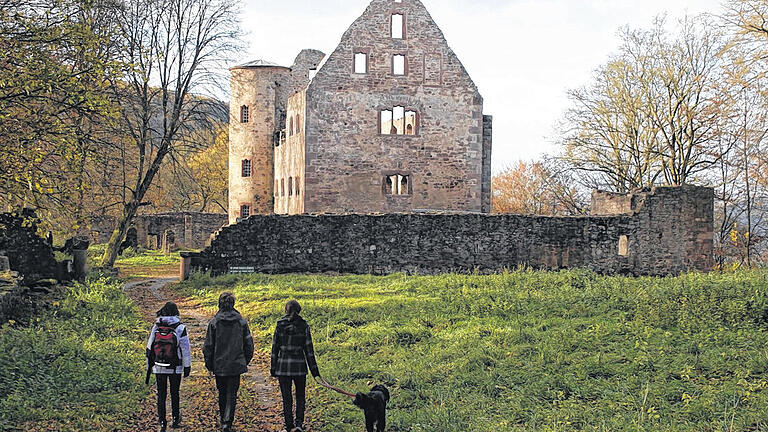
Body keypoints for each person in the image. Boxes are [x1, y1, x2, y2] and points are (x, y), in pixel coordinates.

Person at [203, 292, 255, 432]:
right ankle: (227, 422)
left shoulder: (214, 323)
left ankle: (223, 420)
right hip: (235, 364)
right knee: (232, 394)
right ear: (233, 304)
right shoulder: (241, 322)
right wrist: (244, 361)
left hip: (219, 364)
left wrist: (209, 364)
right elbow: (249, 344)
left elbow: (208, 346)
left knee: (222, 392)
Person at [271, 300, 321, 432]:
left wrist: (273, 367)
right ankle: (299, 423)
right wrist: (314, 370)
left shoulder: (280, 325)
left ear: (285, 310)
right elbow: (309, 350)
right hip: (299, 367)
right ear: (299, 310)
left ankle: (289, 426)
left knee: (286, 398)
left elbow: (275, 348)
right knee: (300, 396)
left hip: (283, 367)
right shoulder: (303, 325)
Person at [146, 302, 191, 432]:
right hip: (175, 366)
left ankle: (162, 421)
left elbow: (149, 347)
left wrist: (149, 366)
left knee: (161, 393)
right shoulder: (180, 327)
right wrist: (187, 366)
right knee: (174, 392)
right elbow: (185, 349)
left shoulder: (157, 326)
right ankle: (176, 418)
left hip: (159, 366)